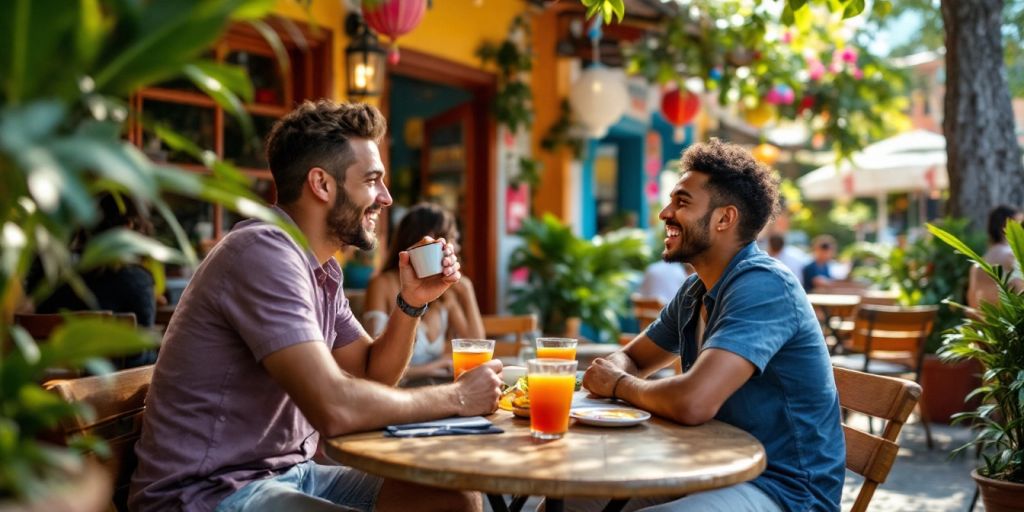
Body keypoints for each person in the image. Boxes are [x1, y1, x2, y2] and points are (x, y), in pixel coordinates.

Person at [128, 101, 502, 512]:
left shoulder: (320, 270)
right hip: (208, 494)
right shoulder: (263, 252)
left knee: (453, 499)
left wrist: (411, 303)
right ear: (322, 184)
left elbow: (372, 373)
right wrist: (460, 398)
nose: (386, 198)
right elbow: (336, 408)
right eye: (373, 181)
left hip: (286, 474)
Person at [579, 139, 845, 511]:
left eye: (682, 202)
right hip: (709, 466)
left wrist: (620, 385)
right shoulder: (696, 289)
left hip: (783, 489)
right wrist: (620, 373)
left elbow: (693, 402)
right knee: (573, 501)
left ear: (724, 219)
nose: (665, 213)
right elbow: (632, 358)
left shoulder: (764, 286)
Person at [30, 193, 159, 367]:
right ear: (128, 228)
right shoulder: (136, 280)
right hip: (108, 387)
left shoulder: (52, 276)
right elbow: (139, 351)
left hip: (47, 385)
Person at [363, 203, 485, 384]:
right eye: (452, 238)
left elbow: (477, 349)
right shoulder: (382, 285)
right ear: (430, 239)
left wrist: (467, 292)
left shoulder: (444, 294)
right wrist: (432, 367)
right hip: (396, 394)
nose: (457, 248)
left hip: (435, 389)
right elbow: (371, 365)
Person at [967, 205, 1024, 310]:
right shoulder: (1012, 256)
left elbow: (973, 303)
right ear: (1008, 227)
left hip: (984, 323)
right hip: (1009, 324)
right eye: (1020, 225)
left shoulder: (977, 265)